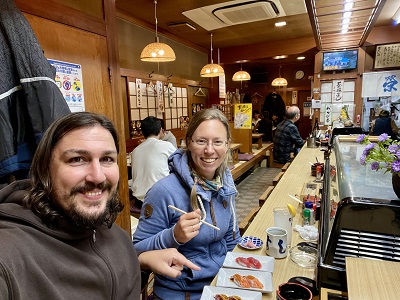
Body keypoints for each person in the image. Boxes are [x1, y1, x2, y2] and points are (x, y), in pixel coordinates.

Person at [0, 112, 199, 299]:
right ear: (45, 169)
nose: (97, 176)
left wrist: (140, 260)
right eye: (77, 159)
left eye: (106, 159)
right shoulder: (9, 251)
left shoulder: (116, 235)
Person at [133, 108, 241, 300]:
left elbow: (232, 240)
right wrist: (173, 235)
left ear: (227, 144)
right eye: (201, 141)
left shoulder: (225, 183)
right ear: (188, 143)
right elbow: (136, 251)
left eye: (217, 142)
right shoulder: (163, 192)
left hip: (221, 283)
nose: (209, 150)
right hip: (181, 292)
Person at [130, 116, 176, 212]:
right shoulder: (166, 146)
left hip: (139, 201)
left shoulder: (135, 151)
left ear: (142, 132)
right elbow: (179, 165)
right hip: (159, 200)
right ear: (160, 130)